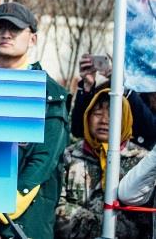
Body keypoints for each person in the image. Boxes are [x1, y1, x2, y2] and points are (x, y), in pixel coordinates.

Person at [0, 2, 70, 239]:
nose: (6, 34)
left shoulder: (50, 95)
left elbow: (41, 164)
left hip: (23, 226)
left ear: (32, 39)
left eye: (15, 29)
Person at [55, 88, 149, 238]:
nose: (104, 120)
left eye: (113, 115)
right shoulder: (70, 156)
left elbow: (146, 220)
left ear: (124, 118)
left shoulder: (142, 162)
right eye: (97, 114)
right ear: (87, 117)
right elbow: (56, 206)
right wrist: (97, 228)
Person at [70, 53, 156, 149]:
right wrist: (87, 86)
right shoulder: (107, 89)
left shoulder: (148, 95)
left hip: (135, 160)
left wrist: (124, 88)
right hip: (98, 159)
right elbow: (78, 130)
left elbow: (152, 130)